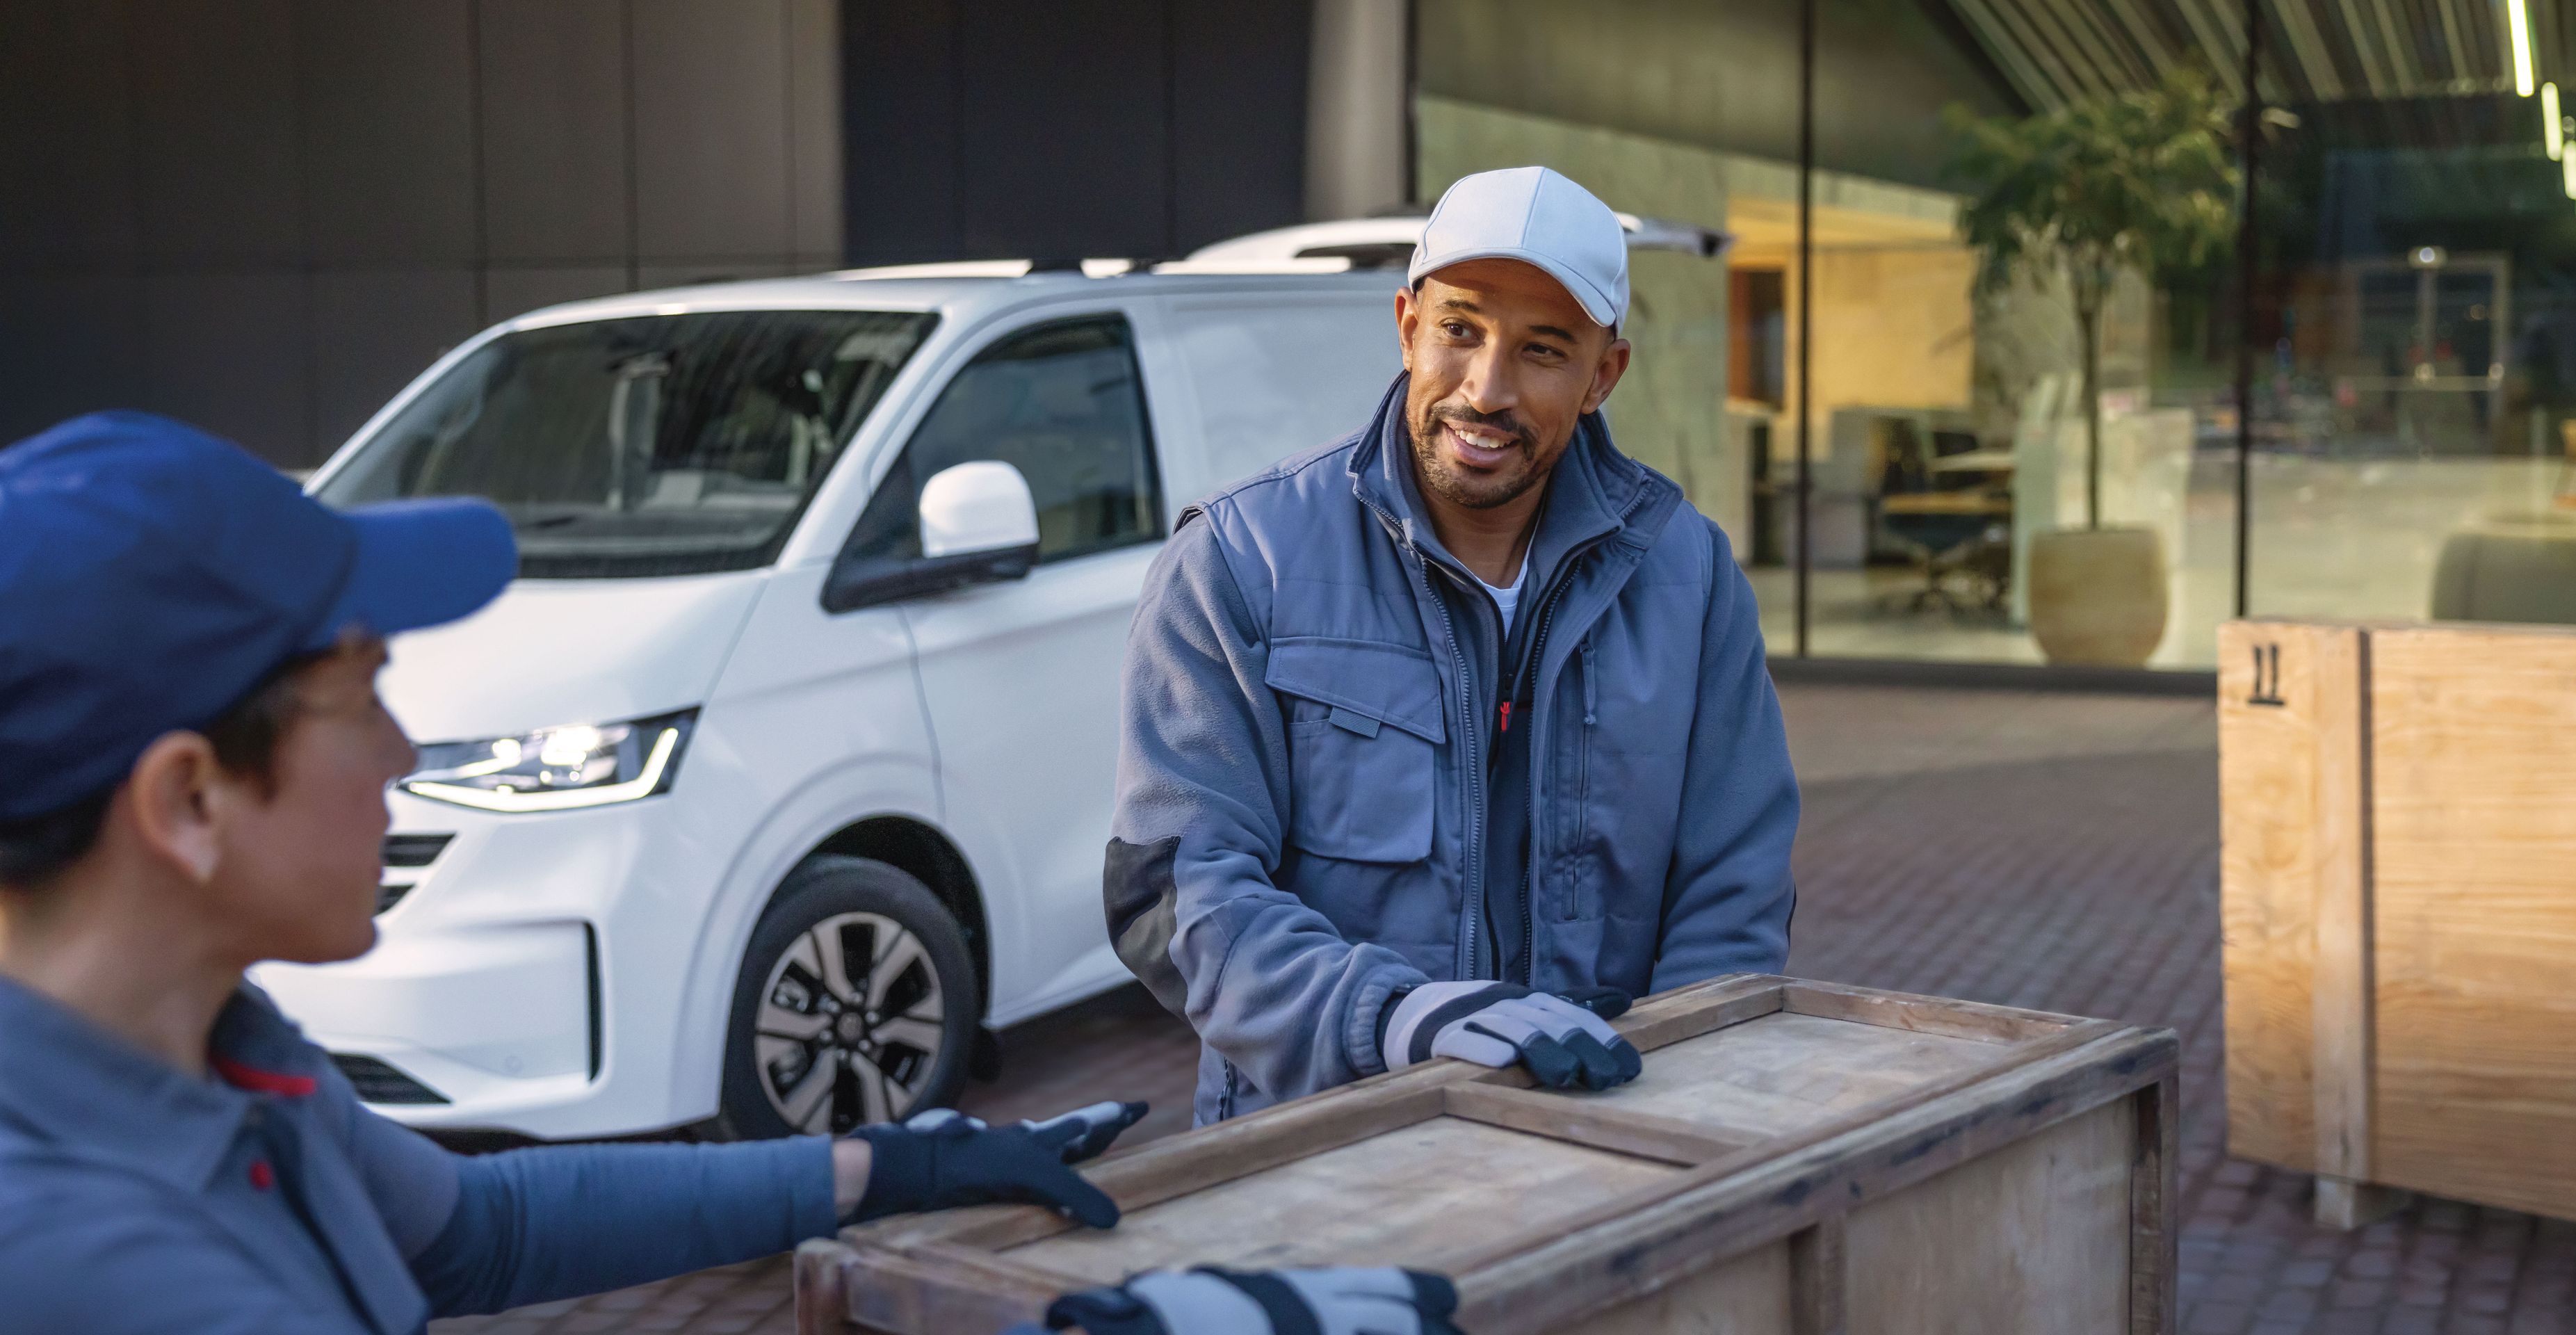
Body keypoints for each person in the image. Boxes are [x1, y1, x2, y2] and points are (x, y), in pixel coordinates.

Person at [0, 413, 1458, 1335]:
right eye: (363, 690)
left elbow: (479, 1229)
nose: (403, 751)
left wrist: (887, 1166)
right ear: (187, 799)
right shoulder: (77, 1251)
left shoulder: (219, 1057)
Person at [1108, 165, 1801, 1124]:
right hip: (1314, 1149)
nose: (1487, 388)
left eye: (1544, 350)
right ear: (1406, 325)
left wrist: (1659, 1097)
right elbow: (1174, 888)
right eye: (1460, 330)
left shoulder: (1688, 579)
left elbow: (1734, 889)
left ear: (1604, 375)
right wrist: (1389, 1022)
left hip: (1610, 1140)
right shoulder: (1240, 561)